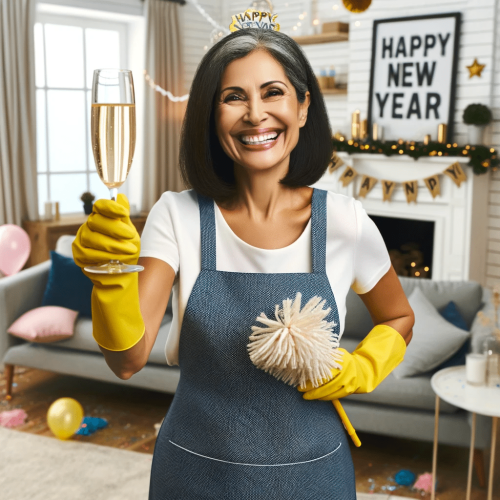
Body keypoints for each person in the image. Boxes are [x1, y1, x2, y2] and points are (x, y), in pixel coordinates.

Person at [72, 27, 414, 500]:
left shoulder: (345, 221)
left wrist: (364, 366)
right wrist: (108, 284)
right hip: (195, 474)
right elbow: (127, 360)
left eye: (273, 92)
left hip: (315, 477)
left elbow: (398, 316)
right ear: (211, 116)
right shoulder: (178, 215)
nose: (256, 114)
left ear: (303, 106)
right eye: (234, 97)